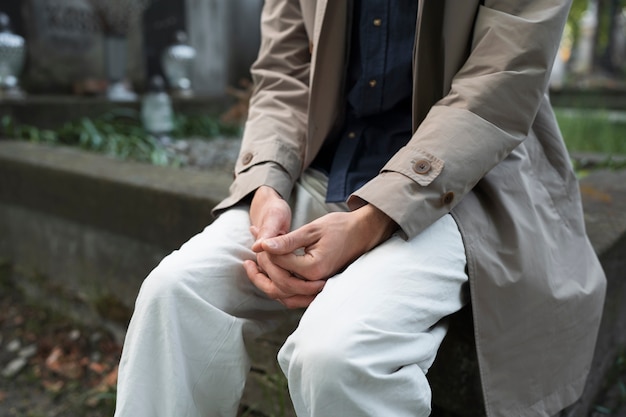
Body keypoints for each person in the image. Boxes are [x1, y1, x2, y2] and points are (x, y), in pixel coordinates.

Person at [114, 0, 607, 416]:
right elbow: (284, 72)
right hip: (320, 171)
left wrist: (374, 218)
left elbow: (501, 81)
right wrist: (265, 184)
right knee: (173, 293)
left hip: (465, 186)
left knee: (338, 356)